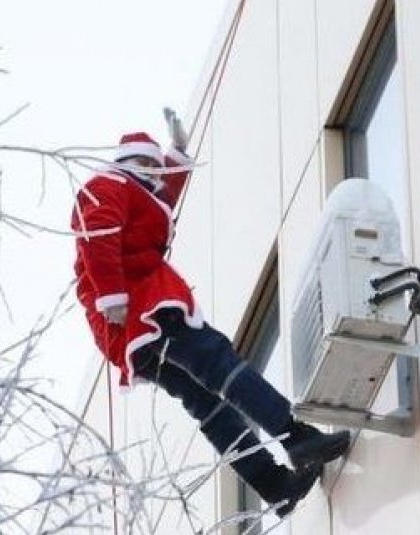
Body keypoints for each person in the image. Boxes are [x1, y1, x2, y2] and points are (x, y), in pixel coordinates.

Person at [70, 109, 350, 518]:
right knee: (219, 364)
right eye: (143, 164)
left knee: (207, 403)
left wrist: (178, 152)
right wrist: (112, 298)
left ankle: (272, 483)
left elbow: (161, 195)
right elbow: (98, 235)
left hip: (131, 328)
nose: (152, 171)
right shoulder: (108, 186)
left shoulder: (133, 191)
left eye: (153, 164)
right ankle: (295, 436)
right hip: (143, 312)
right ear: (126, 164)